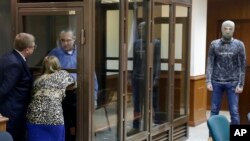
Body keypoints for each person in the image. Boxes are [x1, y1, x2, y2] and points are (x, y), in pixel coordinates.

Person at [48, 29, 98, 141]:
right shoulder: (54, 53)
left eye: (68, 40)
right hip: (61, 94)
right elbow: (47, 72)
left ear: (74, 39)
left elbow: (92, 76)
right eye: (62, 40)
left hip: (79, 93)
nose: (65, 43)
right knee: (63, 124)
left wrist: (94, 97)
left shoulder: (82, 52)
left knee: (80, 124)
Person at [206, 20, 246, 126]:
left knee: (234, 111)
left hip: (233, 82)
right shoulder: (214, 44)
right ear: (221, 29)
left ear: (233, 30)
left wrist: (241, 84)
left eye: (230, 28)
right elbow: (210, 63)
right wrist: (208, 81)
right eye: (225, 28)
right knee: (214, 111)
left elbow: (242, 65)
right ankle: (212, 136)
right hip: (216, 81)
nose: (227, 31)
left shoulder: (239, 45)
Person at [26, 55, 75, 141]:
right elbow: (74, 85)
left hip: (34, 117)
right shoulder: (64, 75)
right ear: (57, 65)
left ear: (43, 67)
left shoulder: (37, 81)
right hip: (54, 117)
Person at [0, 32, 36, 141]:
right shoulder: (15, 64)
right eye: (34, 46)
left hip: (12, 109)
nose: (34, 48)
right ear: (27, 49)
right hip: (13, 111)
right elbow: (4, 89)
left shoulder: (7, 56)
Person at [127, 22, 161, 136]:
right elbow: (134, 61)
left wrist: (156, 77)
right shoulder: (136, 43)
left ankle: (152, 125)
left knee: (151, 103)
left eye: (143, 28)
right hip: (137, 78)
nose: (140, 30)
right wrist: (131, 76)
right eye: (139, 28)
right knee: (137, 104)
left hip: (149, 79)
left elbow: (157, 62)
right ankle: (136, 126)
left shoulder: (155, 43)